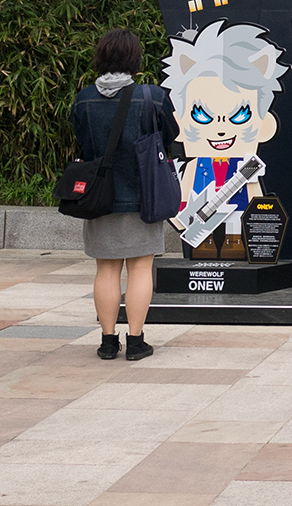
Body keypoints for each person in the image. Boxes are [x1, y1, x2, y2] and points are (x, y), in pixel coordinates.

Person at [73, 28, 182, 360]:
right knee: (140, 269)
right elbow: (171, 135)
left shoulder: (84, 98)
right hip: (143, 195)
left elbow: (81, 140)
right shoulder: (152, 96)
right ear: (134, 59)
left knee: (106, 269)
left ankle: (108, 342)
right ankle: (136, 342)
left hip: (99, 198)